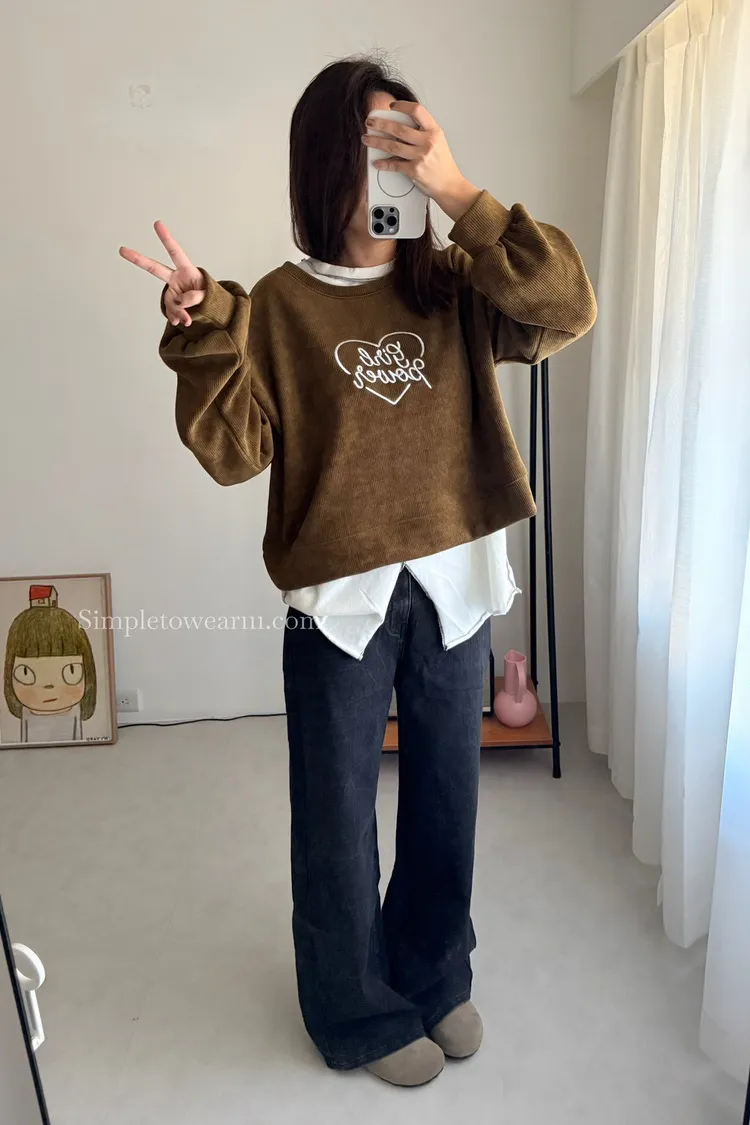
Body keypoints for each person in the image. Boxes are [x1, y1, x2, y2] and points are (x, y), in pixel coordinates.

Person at [119, 56, 596, 1087]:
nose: (392, 165)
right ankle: (354, 1010)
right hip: (340, 601)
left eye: (405, 142)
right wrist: (203, 331)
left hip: (456, 586)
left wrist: (459, 193)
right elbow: (234, 453)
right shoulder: (278, 307)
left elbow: (567, 307)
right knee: (336, 819)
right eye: (374, 144)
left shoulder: (458, 282)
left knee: (446, 801)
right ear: (324, 162)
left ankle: (433, 972)